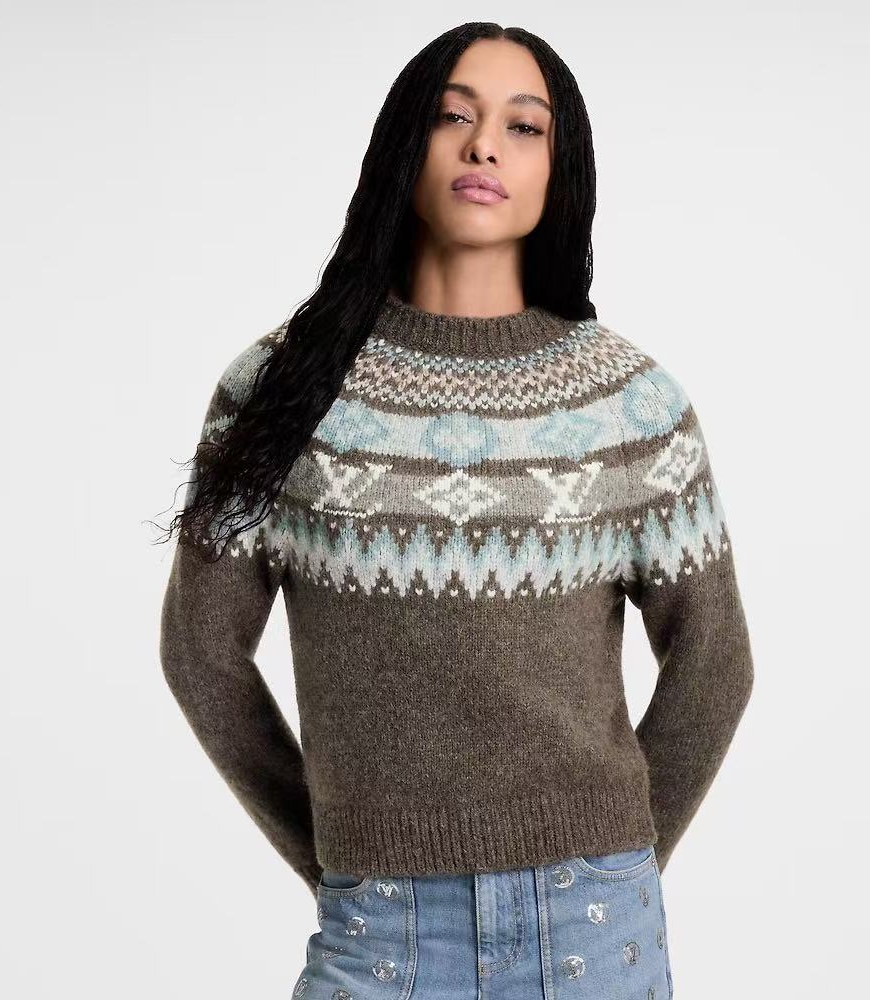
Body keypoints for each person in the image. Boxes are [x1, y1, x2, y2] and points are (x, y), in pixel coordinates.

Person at [158, 21, 753, 1000]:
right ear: (405, 142)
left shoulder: (632, 404)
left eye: (524, 127)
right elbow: (200, 651)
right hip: (378, 930)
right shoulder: (278, 390)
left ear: (560, 169)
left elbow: (716, 662)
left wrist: (623, 858)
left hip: (595, 922)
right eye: (452, 116)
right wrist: (336, 850)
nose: (484, 147)